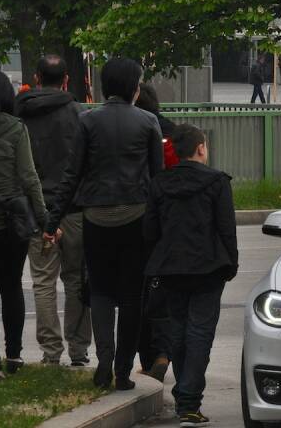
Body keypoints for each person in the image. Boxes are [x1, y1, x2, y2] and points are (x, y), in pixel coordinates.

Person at [44, 58, 164, 391]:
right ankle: (124, 370)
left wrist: (53, 220)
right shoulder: (148, 122)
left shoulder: (87, 121)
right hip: (135, 218)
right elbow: (157, 181)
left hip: (95, 218)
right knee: (130, 297)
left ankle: (104, 362)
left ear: (103, 87)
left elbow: (72, 175)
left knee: (100, 292)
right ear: (135, 89)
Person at [144, 125, 237, 427]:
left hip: (171, 268)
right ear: (200, 149)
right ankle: (188, 403)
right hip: (208, 268)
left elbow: (150, 231)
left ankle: (185, 398)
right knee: (200, 333)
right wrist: (231, 263)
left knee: (178, 331)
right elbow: (226, 228)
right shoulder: (217, 182)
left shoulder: (159, 184)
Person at [15, 55, 92, 367]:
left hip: (37, 212)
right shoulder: (79, 114)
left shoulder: (21, 113)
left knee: (44, 282)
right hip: (74, 210)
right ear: (66, 81)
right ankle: (78, 349)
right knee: (76, 279)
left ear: (36, 78)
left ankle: (50, 352)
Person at [0, 70, 46, 379]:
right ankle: (15, 355)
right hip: (12, 224)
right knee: (12, 289)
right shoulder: (16, 129)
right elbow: (29, 178)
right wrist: (43, 217)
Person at [134, 83, 177, 381]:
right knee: (166, 293)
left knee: (138, 293)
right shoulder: (172, 133)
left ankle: (148, 359)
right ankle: (164, 351)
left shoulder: (132, 131)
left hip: (137, 219)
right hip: (169, 223)